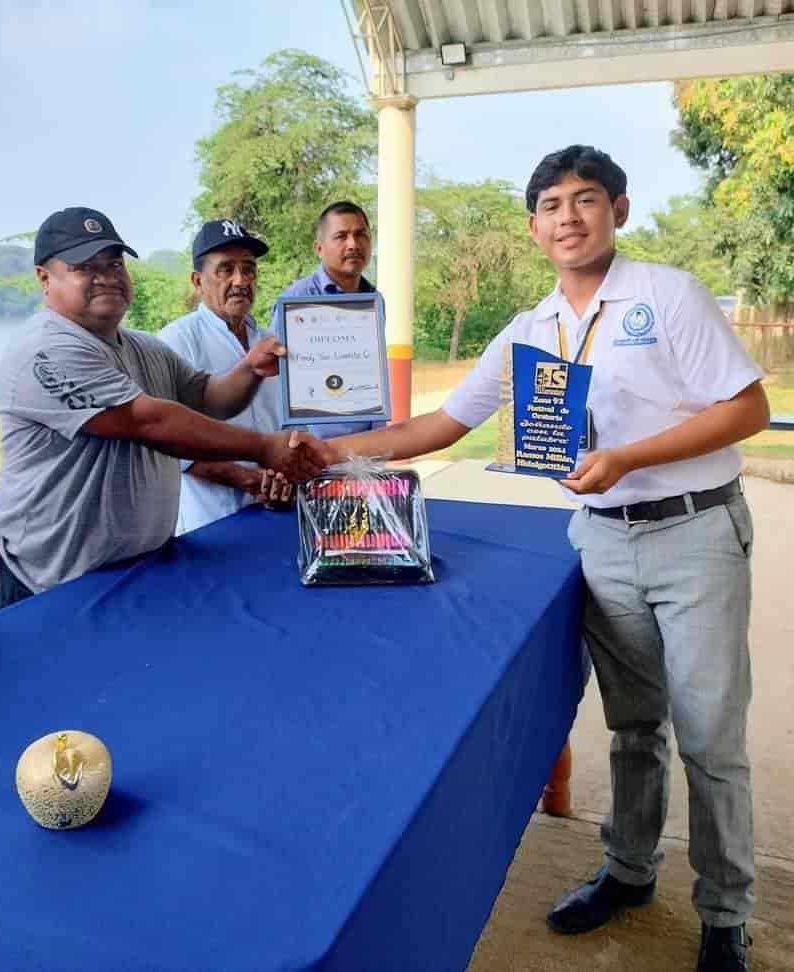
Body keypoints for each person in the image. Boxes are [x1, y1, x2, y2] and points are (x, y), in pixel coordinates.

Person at [325, 146, 768, 972]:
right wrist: (327, 450)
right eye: (552, 204)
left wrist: (631, 459)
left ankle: (724, 915)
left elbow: (748, 408)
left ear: (618, 211)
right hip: (601, 540)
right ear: (534, 227)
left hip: (693, 532)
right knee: (635, 727)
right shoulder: (532, 329)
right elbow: (442, 426)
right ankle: (630, 871)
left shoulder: (666, 294)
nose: (569, 217)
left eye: (585, 200)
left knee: (710, 740)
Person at [0, 207, 332, 606]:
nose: (107, 276)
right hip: (52, 584)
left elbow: (209, 398)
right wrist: (263, 448)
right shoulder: (46, 348)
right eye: (86, 266)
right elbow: (148, 421)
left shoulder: (144, 347)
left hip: (139, 572)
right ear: (45, 278)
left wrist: (250, 369)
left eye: (115, 263)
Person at [158, 219, 292, 534]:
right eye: (225, 270)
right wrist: (248, 480)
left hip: (277, 514)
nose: (240, 280)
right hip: (211, 524)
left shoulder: (274, 342)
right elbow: (170, 446)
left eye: (248, 269)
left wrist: (283, 479)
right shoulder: (175, 342)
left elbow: (290, 426)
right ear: (197, 281)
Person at [280, 200, 385, 439]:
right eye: (341, 236)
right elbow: (277, 379)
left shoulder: (375, 301)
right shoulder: (296, 300)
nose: (353, 244)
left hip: (367, 444)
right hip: (313, 448)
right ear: (319, 248)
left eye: (361, 235)